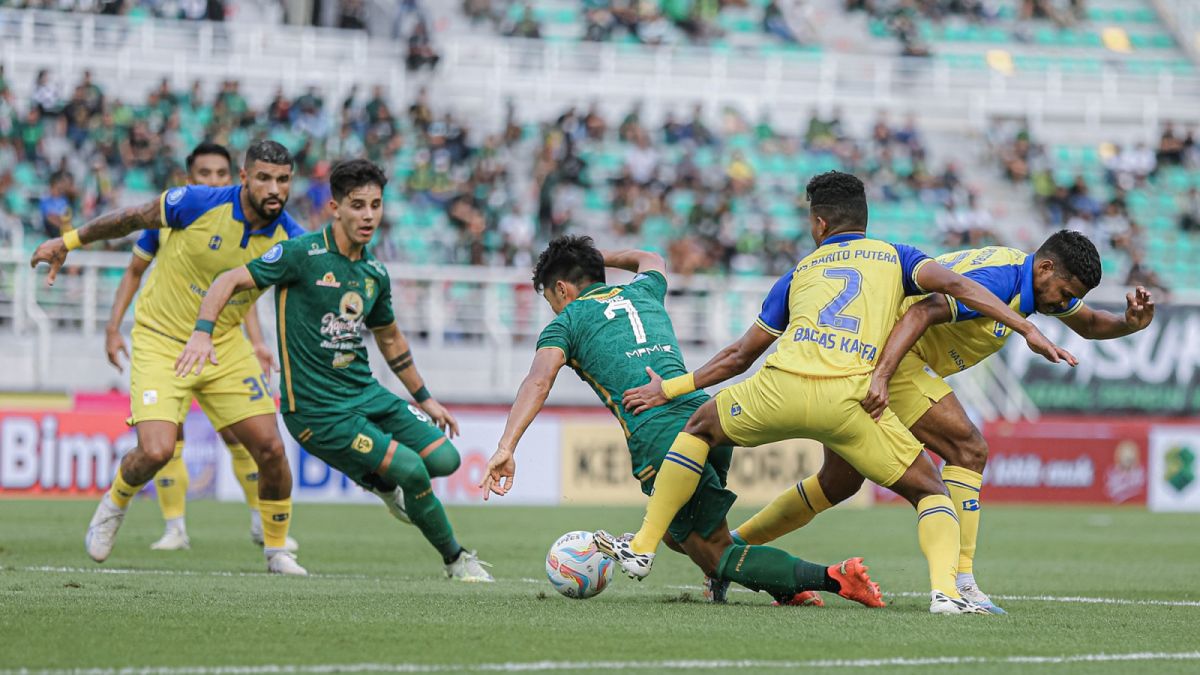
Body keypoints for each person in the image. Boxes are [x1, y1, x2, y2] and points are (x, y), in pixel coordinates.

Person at [606, 171, 1075, 615]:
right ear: (864, 219)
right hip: (852, 399)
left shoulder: (801, 270)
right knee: (931, 490)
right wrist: (1025, 328)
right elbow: (955, 286)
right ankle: (947, 592)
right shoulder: (898, 255)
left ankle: (644, 545)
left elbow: (738, 355)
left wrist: (670, 388)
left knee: (700, 428)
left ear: (820, 223)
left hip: (780, 387)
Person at [725, 231, 1155, 613]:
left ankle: (726, 553)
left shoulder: (1033, 282)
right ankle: (961, 583)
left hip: (877, 356)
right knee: (968, 449)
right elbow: (920, 313)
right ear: (1045, 267)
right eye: (1063, 291)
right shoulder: (1001, 278)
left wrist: (1128, 325)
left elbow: (1089, 323)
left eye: (1068, 297)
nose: (1063, 302)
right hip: (893, 354)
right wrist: (882, 376)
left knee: (839, 483)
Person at [479, 236, 884, 607]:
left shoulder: (566, 322)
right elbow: (649, 258)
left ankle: (835, 577)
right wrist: (598, 256)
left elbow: (538, 380)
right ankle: (782, 583)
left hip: (660, 435)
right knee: (677, 535)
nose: (553, 307)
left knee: (717, 552)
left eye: (551, 298)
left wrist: (506, 446)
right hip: (706, 418)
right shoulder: (644, 288)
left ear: (562, 289)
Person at [175, 159, 493, 582]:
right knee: (413, 472)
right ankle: (457, 560)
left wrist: (425, 398)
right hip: (316, 410)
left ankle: (378, 482)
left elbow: (392, 339)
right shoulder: (301, 254)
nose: (368, 216)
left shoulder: (373, 272)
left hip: (366, 393)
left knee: (446, 458)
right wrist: (202, 333)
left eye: (376, 205)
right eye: (357, 205)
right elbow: (227, 281)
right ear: (335, 208)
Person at [30, 140, 308, 575]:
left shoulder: (294, 239)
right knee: (157, 450)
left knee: (271, 448)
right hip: (162, 339)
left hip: (225, 344)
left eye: (283, 180)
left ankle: (275, 550)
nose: (275, 188)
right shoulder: (195, 202)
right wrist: (69, 241)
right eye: (265, 178)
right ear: (244, 179)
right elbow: (128, 219)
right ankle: (116, 502)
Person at [104, 141, 298, 553]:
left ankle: (260, 522)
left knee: (242, 436)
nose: (213, 180)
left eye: (219, 174)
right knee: (164, 441)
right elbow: (134, 271)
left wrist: (259, 342)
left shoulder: (264, 225)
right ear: (191, 178)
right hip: (165, 339)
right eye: (204, 174)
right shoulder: (177, 217)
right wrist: (112, 327)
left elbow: (239, 290)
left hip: (219, 344)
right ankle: (174, 526)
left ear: (234, 177)